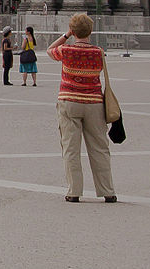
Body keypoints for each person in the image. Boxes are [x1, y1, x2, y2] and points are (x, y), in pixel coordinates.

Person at [47, 13, 116, 204]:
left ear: (73, 31)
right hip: (94, 103)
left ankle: (74, 191)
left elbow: (49, 50)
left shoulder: (66, 50)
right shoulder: (98, 52)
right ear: (91, 31)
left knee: (71, 148)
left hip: (69, 101)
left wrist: (66, 35)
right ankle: (108, 191)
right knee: (100, 148)